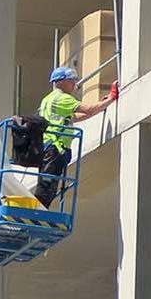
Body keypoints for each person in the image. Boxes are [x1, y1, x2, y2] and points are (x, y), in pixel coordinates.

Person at [33, 65, 114, 204]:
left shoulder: (48, 99)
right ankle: (36, 212)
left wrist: (101, 105)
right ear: (62, 81)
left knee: (46, 183)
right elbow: (88, 110)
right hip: (56, 147)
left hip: (47, 146)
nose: (74, 84)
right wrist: (111, 98)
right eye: (72, 80)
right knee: (48, 187)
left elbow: (74, 117)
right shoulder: (63, 98)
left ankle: (37, 210)